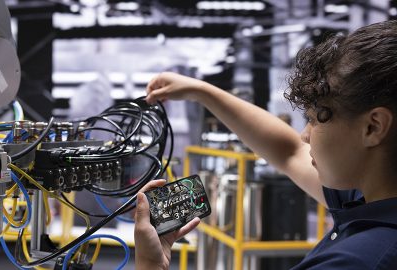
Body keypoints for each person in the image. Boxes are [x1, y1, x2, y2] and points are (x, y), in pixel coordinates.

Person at [134, 20, 397, 270]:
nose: (305, 135)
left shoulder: (356, 261)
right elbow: (288, 151)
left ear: (373, 127)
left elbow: (292, 151)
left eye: (316, 118)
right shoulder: (367, 199)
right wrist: (202, 92)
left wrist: (150, 263)